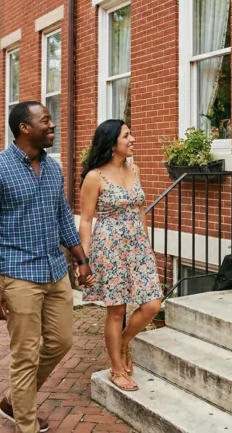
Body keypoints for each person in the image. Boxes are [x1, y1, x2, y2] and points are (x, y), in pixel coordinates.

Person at [0, 101, 94, 433]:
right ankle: (25, 423)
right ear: (25, 128)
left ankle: (13, 399)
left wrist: (81, 260)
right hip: (16, 273)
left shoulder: (53, 168)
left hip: (55, 270)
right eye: (46, 121)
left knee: (62, 341)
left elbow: (63, 220)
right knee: (24, 354)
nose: (52, 126)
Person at [78, 119, 163, 392]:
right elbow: (86, 221)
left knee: (153, 304)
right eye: (127, 135)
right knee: (116, 312)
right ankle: (116, 369)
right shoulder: (95, 177)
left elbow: (141, 210)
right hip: (109, 249)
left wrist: (147, 246)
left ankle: (125, 341)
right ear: (112, 142)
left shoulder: (135, 169)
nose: (133, 139)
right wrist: (84, 260)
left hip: (138, 247)